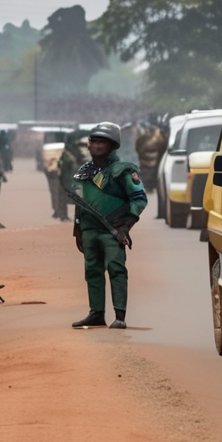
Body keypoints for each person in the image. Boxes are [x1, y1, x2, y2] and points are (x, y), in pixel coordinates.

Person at [70, 122, 147, 329]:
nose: (96, 145)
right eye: (93, 141)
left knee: (116, 269)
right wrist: (77, 231)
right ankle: (96, 313)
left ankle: (120, 316)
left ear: (113, 145)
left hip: (112, 231)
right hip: (88, 230)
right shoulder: (83, 172)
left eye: (101, 141)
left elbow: (139, 199)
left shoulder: (123, 171)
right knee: (92, 270)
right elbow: (79, 202)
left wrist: (126, 226)